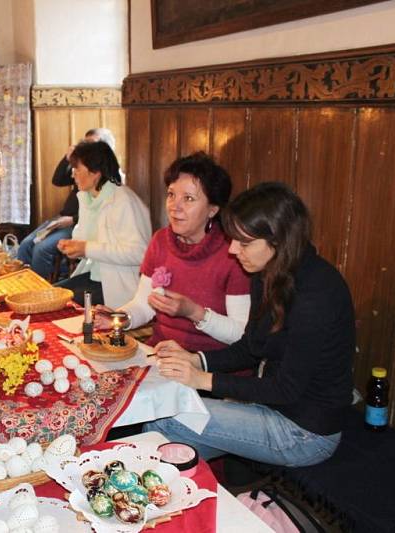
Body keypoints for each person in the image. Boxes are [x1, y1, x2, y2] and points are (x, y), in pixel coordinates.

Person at [145, 182, 355, 467]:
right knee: (164, 445)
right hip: (275, 408)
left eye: (244, 243)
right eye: (233, 239)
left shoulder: (318, 294)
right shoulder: (268, 273)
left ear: (279, 241)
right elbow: (251, 346)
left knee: (168, 419)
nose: (233, 250)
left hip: (306, 431)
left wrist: (202, 380)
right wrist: (196, 360)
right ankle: (184, 501)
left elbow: (285, 389)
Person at [98, 152, 250, 352]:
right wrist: (119, 319)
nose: (174, 206)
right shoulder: (161, 240)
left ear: (212, 209)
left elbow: (240, 334)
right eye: (171, 194)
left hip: (210, 366)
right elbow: (144, 305)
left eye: (188, 198)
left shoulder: (234, 252)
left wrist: (194, 312)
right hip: (162, 353)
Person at [54, 140, 151, 307]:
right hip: (94, 276)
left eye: (77, 169)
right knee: (50, 296)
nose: (73, 174)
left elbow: (139, 253)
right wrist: (74, 247)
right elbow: (87, 244)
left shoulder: (123, 200)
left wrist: (86, 248)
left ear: (95, 172)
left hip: (117, 286)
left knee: (57, 305)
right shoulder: (87, 198)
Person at [17, 128, 116, 280]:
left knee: (41, 250)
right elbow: (57, 180)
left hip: (77, 224)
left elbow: (98, 213)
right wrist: (67, 158)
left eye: (91, 146)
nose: (86, 150)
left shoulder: (107, 176)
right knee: (25, 245)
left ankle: (38, 294)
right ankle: (23, 285)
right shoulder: (83, 170)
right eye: (85, 144)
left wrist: (72, 220)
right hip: (62, 219)